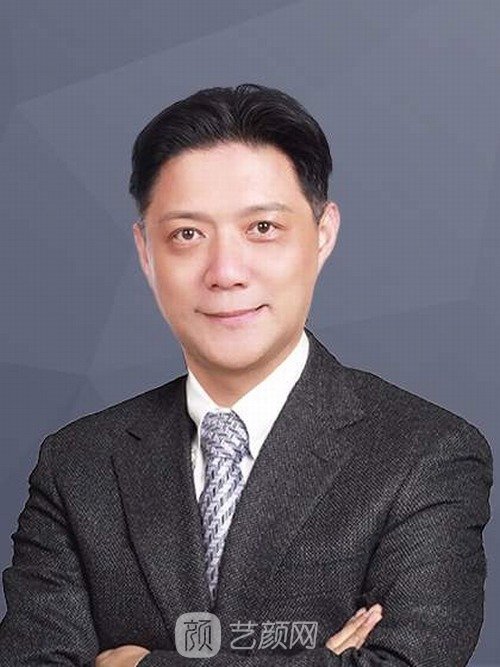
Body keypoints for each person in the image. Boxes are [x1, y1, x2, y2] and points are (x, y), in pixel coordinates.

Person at [0, 84, 493, 667]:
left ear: (323, 234)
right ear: (146, 252)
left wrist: (143, 664)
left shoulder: (425, 453)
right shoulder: (78, 465)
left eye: (262, 228)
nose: (226, 272)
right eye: (187, 234)